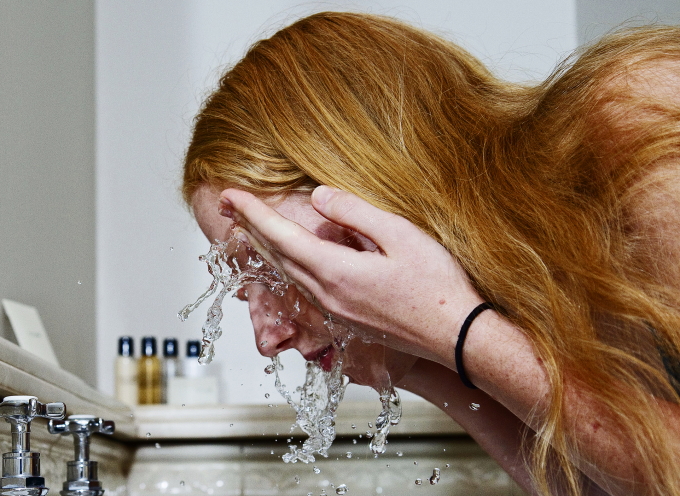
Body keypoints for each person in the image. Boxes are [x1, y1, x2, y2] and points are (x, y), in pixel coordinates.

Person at [182, 11, 680, 496]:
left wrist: (458, 330)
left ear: (372, 180)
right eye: (241, 288)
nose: (266, 338)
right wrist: (421, 354)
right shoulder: (520, 301)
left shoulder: (639, 124)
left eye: (272, 266)